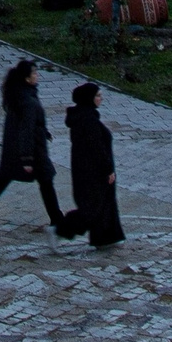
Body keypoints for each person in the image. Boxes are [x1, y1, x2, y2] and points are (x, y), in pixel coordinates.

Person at [0, 59, 66, 231]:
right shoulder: (27, 100)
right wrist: (27, 159)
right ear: (26, 78)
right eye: (34, 74)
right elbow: (26, 129)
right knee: (44, 180)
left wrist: (43, 131)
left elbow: (29, 124)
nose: (37, 76)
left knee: (5, 178)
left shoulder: (20, 94)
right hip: (30, 149)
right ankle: (57, 219)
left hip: (17, 146)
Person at [59, 82, 124, 248]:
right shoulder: (88, 120)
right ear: (89, 98)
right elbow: (97, 147)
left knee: (102, 204)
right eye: (97, 95)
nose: (101, 98)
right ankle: (62, 229)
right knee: (94, 206)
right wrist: (108, 169)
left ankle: (105, 237)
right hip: (93, 171)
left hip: (86, 169)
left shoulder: (85, 116)